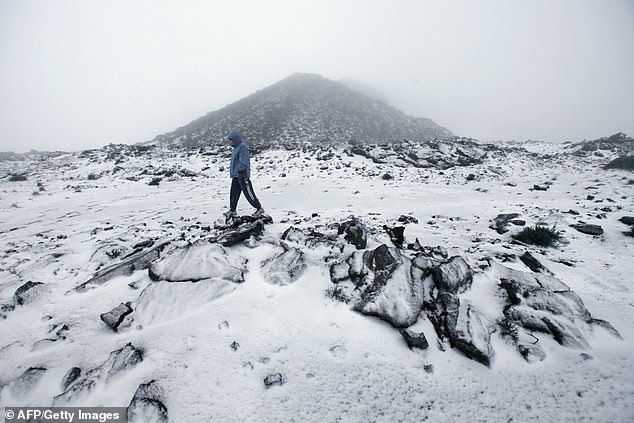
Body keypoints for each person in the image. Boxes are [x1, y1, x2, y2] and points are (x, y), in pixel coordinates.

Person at [223, 130, 265, 222]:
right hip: (235, 175)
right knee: (234, 193)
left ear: (236, 139)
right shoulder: (235, 148)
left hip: (242, 174)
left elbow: (244, 161)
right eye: (230, 140)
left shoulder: (243, 147)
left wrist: (239, 169)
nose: (231, 141)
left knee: (248, 192)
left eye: (233, 139)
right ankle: (232, 211)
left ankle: (259, 209)